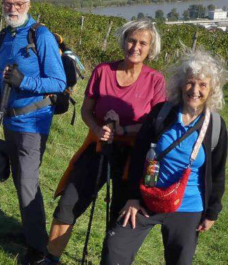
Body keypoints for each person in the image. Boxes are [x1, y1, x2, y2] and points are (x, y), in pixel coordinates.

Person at [43, 19, 166, 265]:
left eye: (143, 43)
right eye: (131, 40)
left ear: (150, 49)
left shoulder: (155, 81)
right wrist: (98, 129)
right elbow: (87, 111)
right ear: (123, 41)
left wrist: (124, 128)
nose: (135, 47)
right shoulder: (103, 72)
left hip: (132, 157)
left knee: (119, 218)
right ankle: (50, 259)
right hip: (98, 147)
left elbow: (156, 124)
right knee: (68, 204)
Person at [100, 49, 228, 265]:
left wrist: (212, 212)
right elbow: (139, 156)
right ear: (180, 84)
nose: (195, 90)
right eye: (190, 83)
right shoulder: (162, 114)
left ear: (212, 89)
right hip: (147, 199)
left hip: (188, 207)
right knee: (115, 250)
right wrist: (132, 197)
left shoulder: (215, 126)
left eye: (202, 85)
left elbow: (217, 172)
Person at [0, 0, 67, 264]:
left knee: (28, 183)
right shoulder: (3, 37)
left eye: (18, 4)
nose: (13, 8)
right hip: (9, 121)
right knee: (20, 180)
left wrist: (25, 82)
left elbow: (58, 82)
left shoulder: (40, 36)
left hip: (34, 122)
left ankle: (38, 249)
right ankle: (32, 232)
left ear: (28, 5)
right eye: (8, 4)